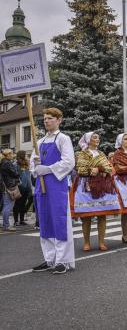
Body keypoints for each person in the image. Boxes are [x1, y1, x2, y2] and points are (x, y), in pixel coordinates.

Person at [31, 108, 76, 274]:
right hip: (41, 187)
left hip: (57, 186)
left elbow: (69, 162)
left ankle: (63, 261)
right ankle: (50, 259)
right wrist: (35, 165)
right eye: (44, 119)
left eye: (50, 118)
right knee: (45, 222)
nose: (46, 121)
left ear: (59, 120)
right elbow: (32, 165)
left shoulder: (63, 139)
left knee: (59, 221)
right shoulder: (40, 141)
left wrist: (47, 169)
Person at [70, 132, 121, 251]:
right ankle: (86, 242)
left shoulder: (101, 153)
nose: (97, 139)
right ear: (88, 140)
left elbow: (109, 167)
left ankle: (101, 242)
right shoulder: (81, 153)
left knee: (102, 214)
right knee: (86, 215)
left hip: (101, 185)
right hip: (85, 185)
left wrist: (99, 169)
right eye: (94, 137)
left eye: (98, 137)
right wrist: (93, 169)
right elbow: (80, 168)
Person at [1, 149, 20, 232]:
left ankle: (5, 224)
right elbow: (15, 174)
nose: (13, 155)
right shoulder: (7, 163)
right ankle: (6, 225)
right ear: (8, 154)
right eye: (12, 154)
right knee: (8, 206)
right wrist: (17, 173)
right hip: (10, 186)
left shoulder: (3, 162)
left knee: (6, 205)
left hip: (5, 186)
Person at [12, 150, 33, 226]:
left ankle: (21, 220)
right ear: (21, 155)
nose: (26, 156)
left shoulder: (26, 164)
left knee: (23, 204)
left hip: (26, 187)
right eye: (25, 154)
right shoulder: (15, 164)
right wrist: (18, 184)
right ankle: (16, 221)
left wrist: (30, 187)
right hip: (19, 187)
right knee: (17, 204)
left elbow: (28, 176)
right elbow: (14, 176)